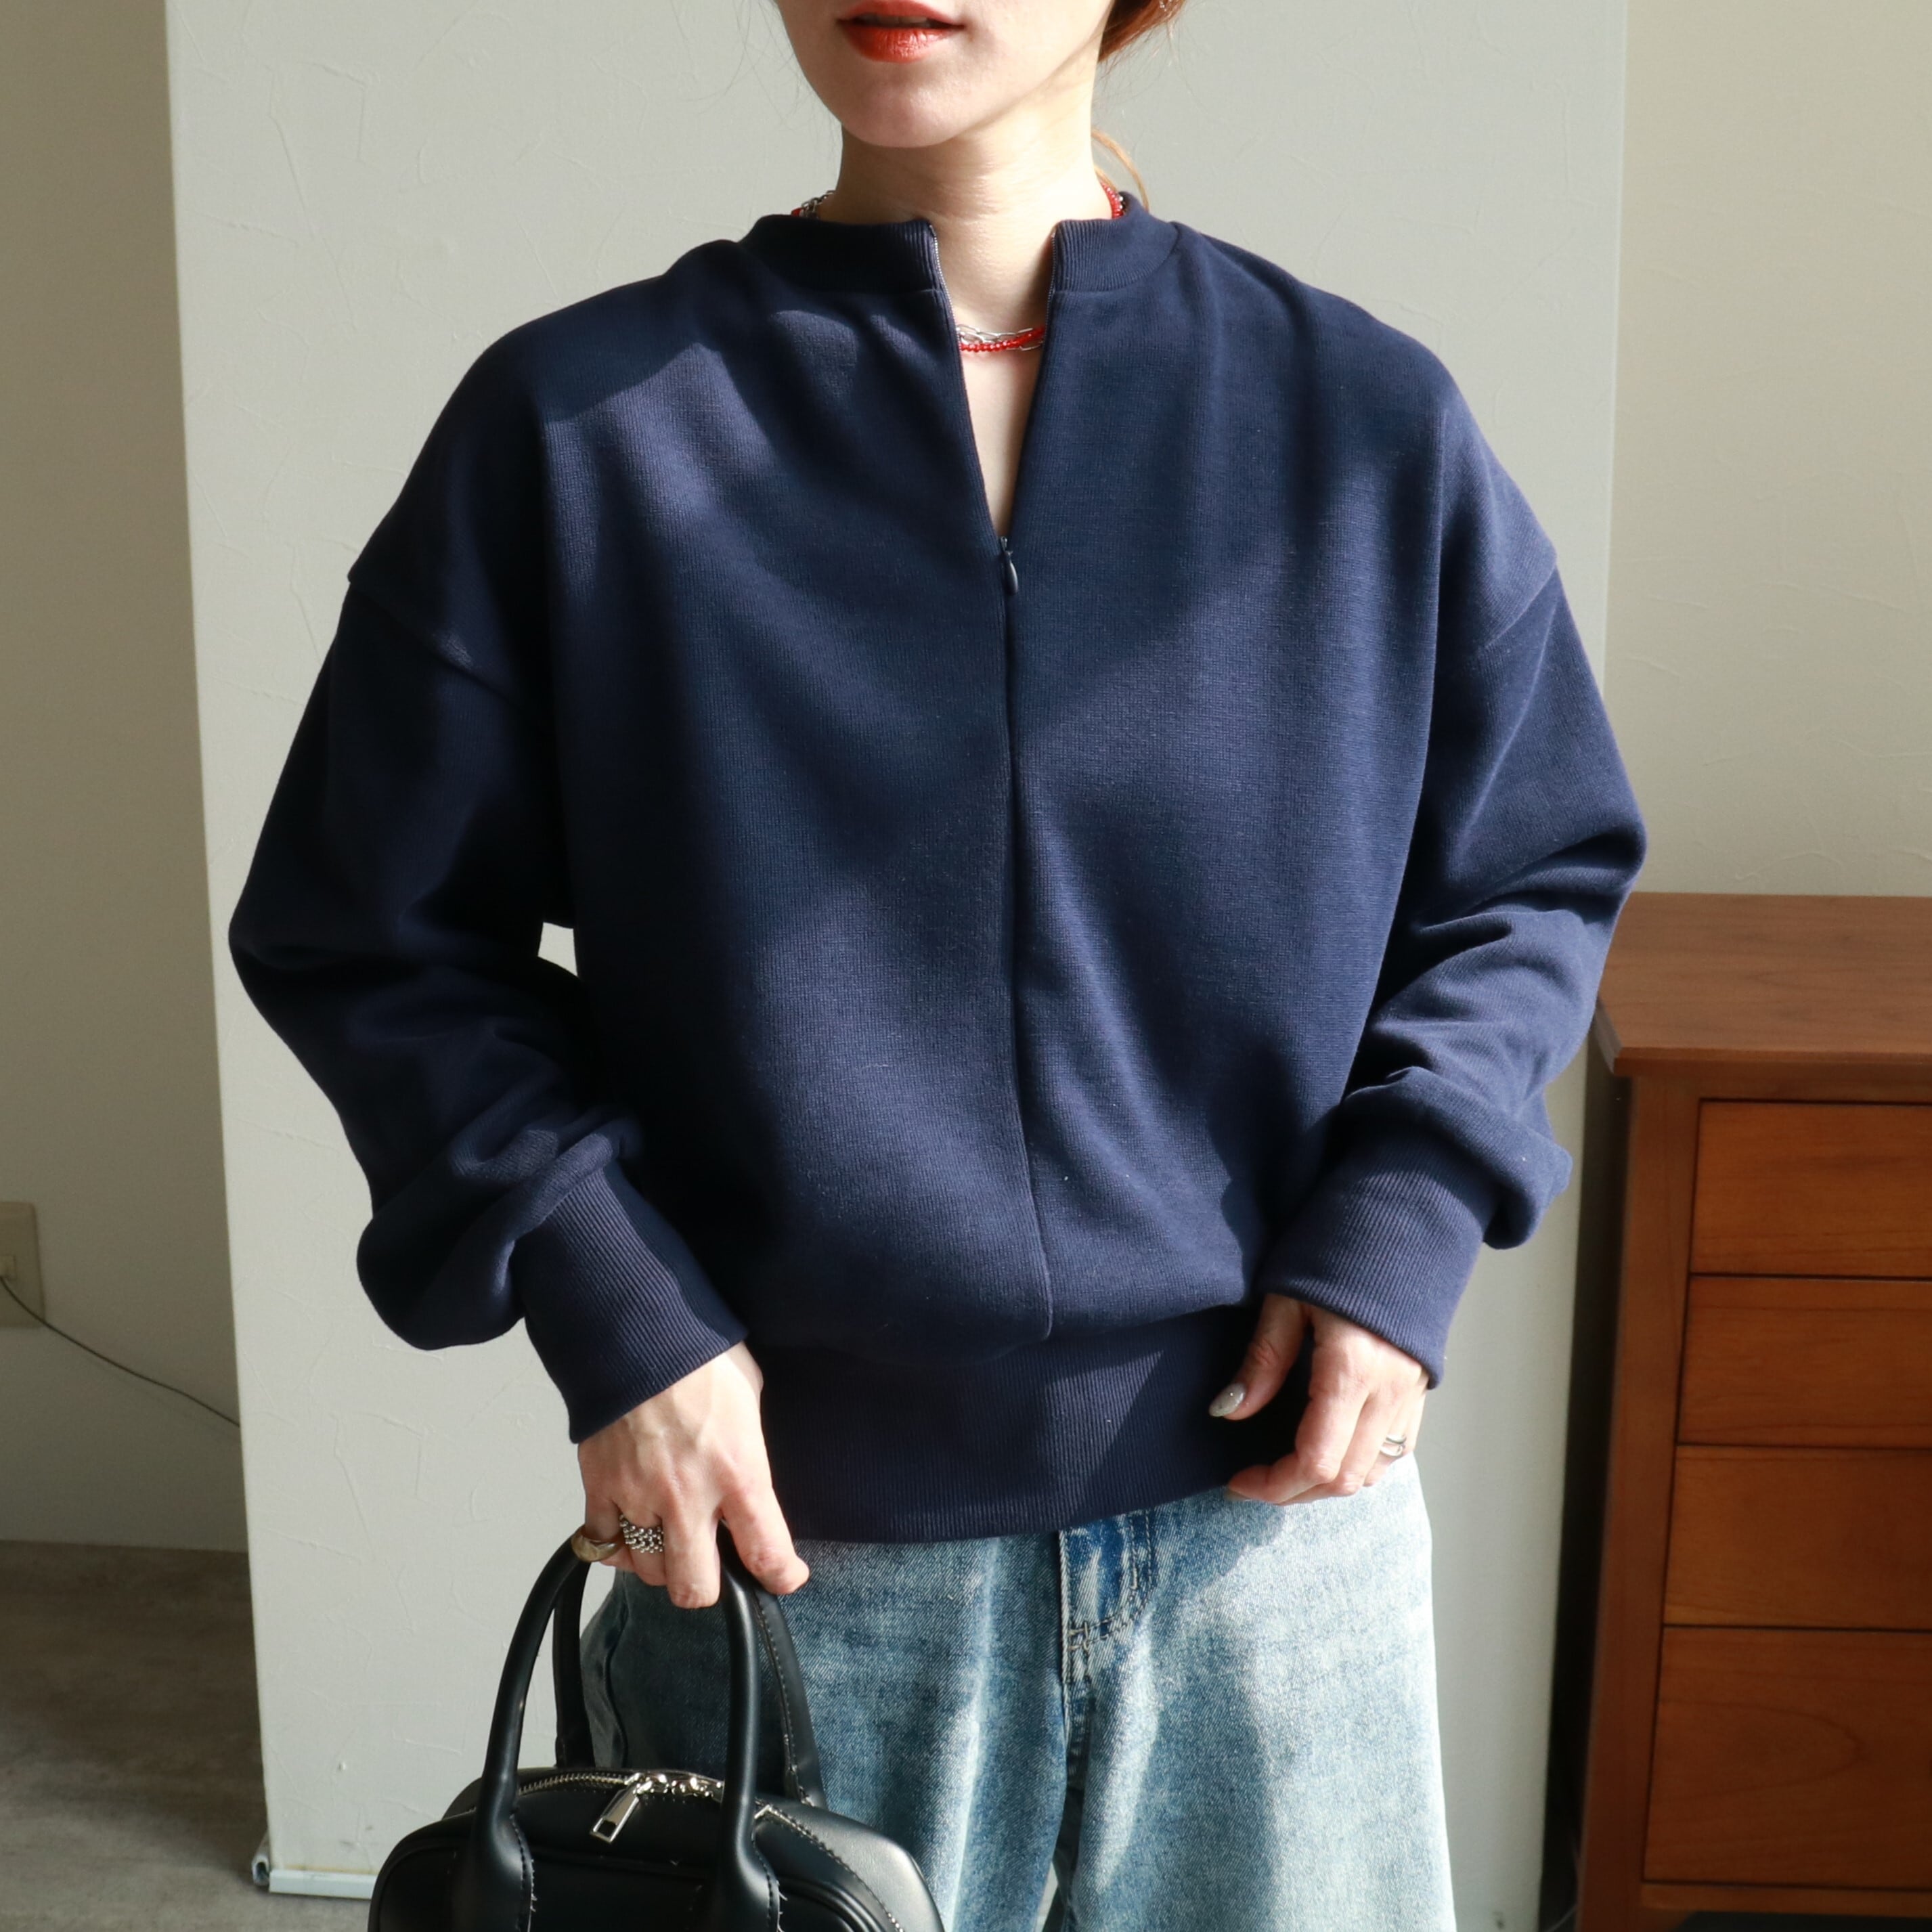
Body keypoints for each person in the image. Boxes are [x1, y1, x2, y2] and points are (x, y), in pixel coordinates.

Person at [229, 1, 1646, 1926]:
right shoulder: (578, 429)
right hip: (796, 1568)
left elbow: (1532, 866)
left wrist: (1404, 1225)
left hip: (1275, 1570)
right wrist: (617, 1309)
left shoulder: (1360, 423)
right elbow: (368, 924)